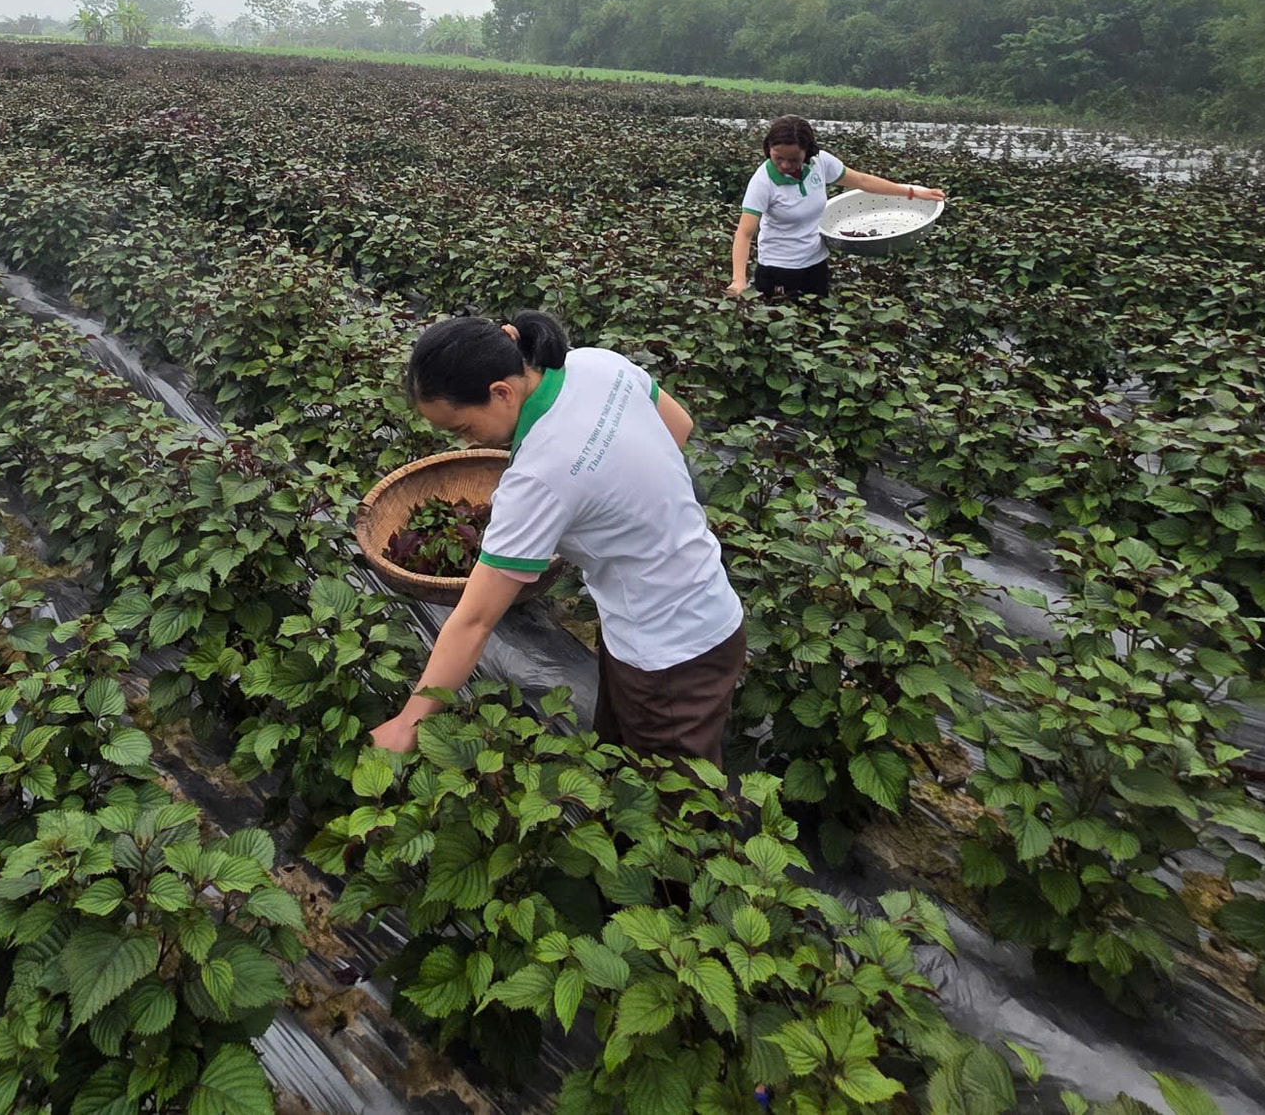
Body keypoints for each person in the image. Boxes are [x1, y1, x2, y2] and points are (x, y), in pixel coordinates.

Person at [370, 313, 747, 770]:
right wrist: (608, 505)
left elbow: (474, 622)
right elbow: (679, 427)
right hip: (702, 602)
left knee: (676, 808)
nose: (465, 446)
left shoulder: (536, 480)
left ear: (501, 393)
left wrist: (408, 723)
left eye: (462, 430)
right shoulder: (596, 364)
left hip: (669, 656)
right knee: (623, 755)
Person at [727, 114, 946, 301]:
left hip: (815, 264)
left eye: (793, 159)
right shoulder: (763, 181)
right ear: (768, 150)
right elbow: (744, 234)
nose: (785, 165)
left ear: (807, 152)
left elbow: (862, 181)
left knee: (818, 332)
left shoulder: (820, 163)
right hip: (777, 270)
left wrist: (912, 192)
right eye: (778, 158)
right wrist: (739, 280)